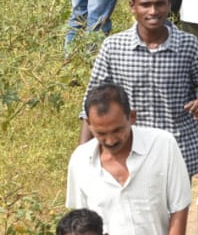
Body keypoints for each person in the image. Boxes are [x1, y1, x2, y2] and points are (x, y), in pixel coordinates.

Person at [81, 0, 198, 178]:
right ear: (133, 6)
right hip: (131, 152)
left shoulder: (187, 45)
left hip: (180, 151)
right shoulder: (114, 47)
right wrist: (83, 156)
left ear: (169, 4)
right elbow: (91, 104)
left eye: (159, 4)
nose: (153, 11)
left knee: (176, 209)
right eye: (145, 4)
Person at [67, 83, 190, 235]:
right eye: (101, 134)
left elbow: (179, 208)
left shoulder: (163, 145)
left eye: (117, 130)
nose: (110, 141)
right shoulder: (80, 161)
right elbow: (81, 224)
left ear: (132, 117)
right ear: (89, 124)